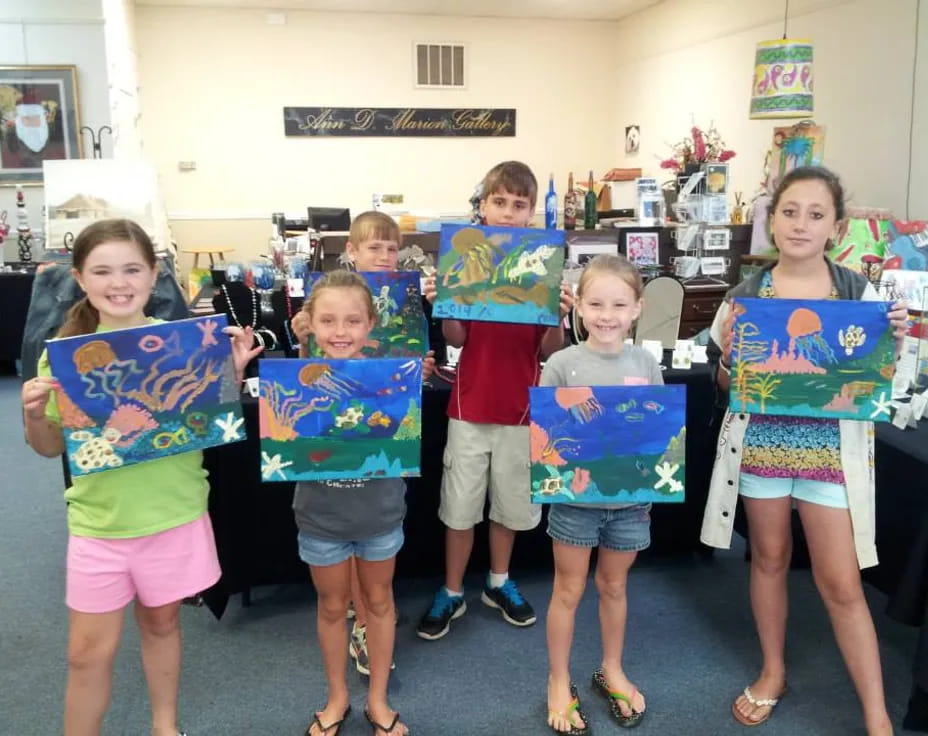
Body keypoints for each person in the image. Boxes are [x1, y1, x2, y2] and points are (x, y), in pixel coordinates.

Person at [21, 218, 262, 736]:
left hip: (173, 514)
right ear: (81, 279)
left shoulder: (187, 345)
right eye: (102, 271)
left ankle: (164, 727)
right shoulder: (62, 354)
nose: (119, 282)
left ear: (155, 276)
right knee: (86, 654)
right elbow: (46, 449)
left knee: (162, 623)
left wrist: (230, 376)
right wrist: (35, 415)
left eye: (132, 268)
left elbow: (207, 426)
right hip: (100, 524)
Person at [700, 167, 909, 735]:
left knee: (840, 581)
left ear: (835, 227)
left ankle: (875, 712)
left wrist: (892, 335)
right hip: (762, 446)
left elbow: (879, 377)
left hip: (830, 454)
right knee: (768, 559)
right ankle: (772, 672)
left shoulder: (857, 294)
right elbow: (723, 381)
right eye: (790, 211)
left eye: (816, 215)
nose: (800, 224)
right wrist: (728, 364)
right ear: (772, 220)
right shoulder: (744, 297)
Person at [417, 160, 573, 640]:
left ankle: (498, 581)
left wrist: (557, 316)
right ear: (482, 207)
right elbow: (455, 336)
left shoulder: (539, 268)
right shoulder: (468, 262)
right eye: (498, 202)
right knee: (459, 508)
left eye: (519, 205)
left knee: (509, 506)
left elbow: (551, 352)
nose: (508, 212)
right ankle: (451, 589)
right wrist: (447, 301)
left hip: (522, 410)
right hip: (469, 408)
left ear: (531, 214)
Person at [290, 210, 437, 677]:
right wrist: (300, 346)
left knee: (375, 566)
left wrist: (418, 377)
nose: (385, 255)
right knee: (341, 577)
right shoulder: (329, 313)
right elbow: (302, 391)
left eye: (392, 248)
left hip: (377, 492)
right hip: (327, 501)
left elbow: (399, 410)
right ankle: (358, 618)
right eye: (375, 247)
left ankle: (370, 620)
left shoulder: (402, 305)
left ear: (368, 324)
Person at [541, 254, 656, 734]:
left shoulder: (646, 361)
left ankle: (612, 667)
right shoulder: (563, 363)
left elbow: (658, 431)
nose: (606, 315)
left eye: (618, 304)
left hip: (629, 503)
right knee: (568, 589)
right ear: (578, 309)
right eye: (595, 303)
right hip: (575, 503)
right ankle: (558, 679)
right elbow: (544, 434)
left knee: (614, 586)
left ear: (636, 309)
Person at [293, 270, 409, 736]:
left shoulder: (391, 378)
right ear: (311, 323)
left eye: (352, 321)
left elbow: (402, 434)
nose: (340, 332)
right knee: (330, 606)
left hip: (380, 514)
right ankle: (338, 696)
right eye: (328, 321)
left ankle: (377, 700)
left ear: (370, 324)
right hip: (320, 518)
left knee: (379, 604)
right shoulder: (298, 379)